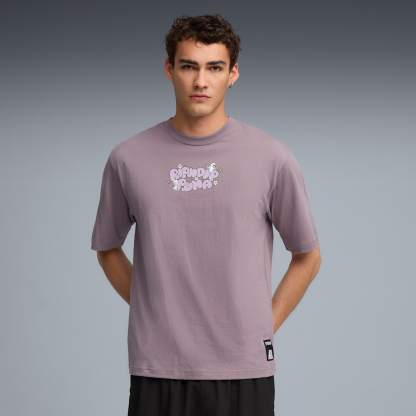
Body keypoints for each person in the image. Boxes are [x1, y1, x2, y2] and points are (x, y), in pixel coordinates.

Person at [90, 13, 321, 416]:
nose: (201, 81)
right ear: (169, 70)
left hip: (243, 367)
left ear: (233, 74)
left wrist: (262, 325)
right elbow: (107, 248)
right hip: (158, 366)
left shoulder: (272, 159)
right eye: (189, 67)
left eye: (214, 68)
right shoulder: (128, 159)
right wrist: (152, 307)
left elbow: (308, 256)